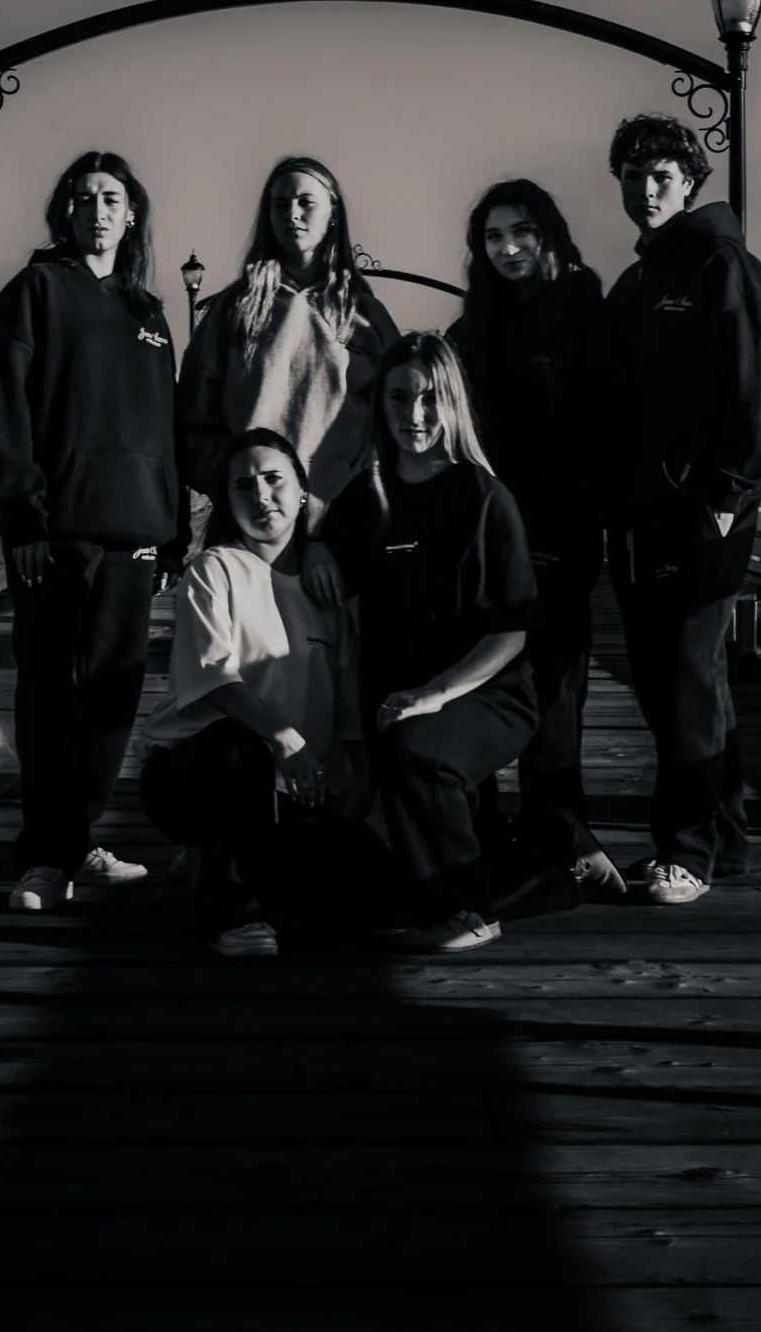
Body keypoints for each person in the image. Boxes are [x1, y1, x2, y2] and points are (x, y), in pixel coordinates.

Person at [0, 150, 189, 913]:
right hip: (55, 537)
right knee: (52, 697)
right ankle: (44, 857)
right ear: (65, 211)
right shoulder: (36, 292)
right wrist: (20, 510)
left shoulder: (148, 314)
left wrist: (176, 530)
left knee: (113, 699)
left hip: (136, 540)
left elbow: (167, 431)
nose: (97, 209)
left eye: (112, 197)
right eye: (84, 196)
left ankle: (80, 835)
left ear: (132, 214)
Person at [595, 114, 761, 906]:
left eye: (663, 177)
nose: (647, 190)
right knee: (670, 681)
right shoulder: (636, 282)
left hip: (698, 513)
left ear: (690, 181)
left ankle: (687, 852)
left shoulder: (721, 264)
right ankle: (729, 837)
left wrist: (729, 494)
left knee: (685, 679)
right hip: (636, 518)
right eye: (634, 177)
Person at [138, 429, 395, 957]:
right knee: (237, 747)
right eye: (243, 486)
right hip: (196, 773)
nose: (260, 495)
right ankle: (229, 913)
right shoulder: (214, 571)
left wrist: (362, 775)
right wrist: (287, 741)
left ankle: (229, 858)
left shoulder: (327, 589)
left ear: (302, 491)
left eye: (274, 479)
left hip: (295, 791)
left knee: (374, 897)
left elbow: (348, 700)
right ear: (229, 504)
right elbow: (214, 678)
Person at [324, 332, 542, 952]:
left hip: (488, 691)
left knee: (417, 747)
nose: (413, 417)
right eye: (398, 399)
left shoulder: (484, 498)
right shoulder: (366, 498)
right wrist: (314, 548)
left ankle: (466, 908)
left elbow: (512, 630)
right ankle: (536, 852)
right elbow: (317, 558)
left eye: (428, 399)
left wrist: (434, 694)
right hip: (395, 692)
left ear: (451, 404)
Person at [447, 179, 623, 897]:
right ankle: (480, 831)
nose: (508, 247)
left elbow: (607, 424)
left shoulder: (586, 311)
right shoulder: (474, 326)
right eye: (493, 237)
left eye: (521, 231)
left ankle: (563, 832)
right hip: (489, 535)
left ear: (548, 232)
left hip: (560, 529)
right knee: (483, 677)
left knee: (556, 688)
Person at [176, 156, 400, 530]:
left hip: (345, 523)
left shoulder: (367, 315)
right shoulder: (233, 309)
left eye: (305, 202)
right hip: (250, 522)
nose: (292, 213)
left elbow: (393, 419)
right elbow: (192, 419)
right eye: (280, 204)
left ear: (333, 213)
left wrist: (361, 485)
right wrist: (238, 482)